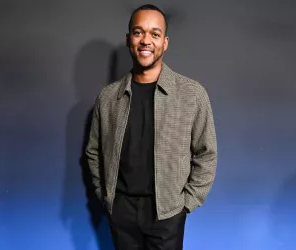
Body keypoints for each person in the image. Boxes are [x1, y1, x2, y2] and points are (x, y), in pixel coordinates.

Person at [85, 4, 217, 250]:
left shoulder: (191, 94)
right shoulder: (108, 97)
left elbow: (206, 153)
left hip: (167, 213)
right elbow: (94, 152)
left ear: (165, 42)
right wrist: (107, 196)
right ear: (128, 39)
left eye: (154, 34)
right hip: (121, 212)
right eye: (139, 32)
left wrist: (185, 204)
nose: (146, 40)